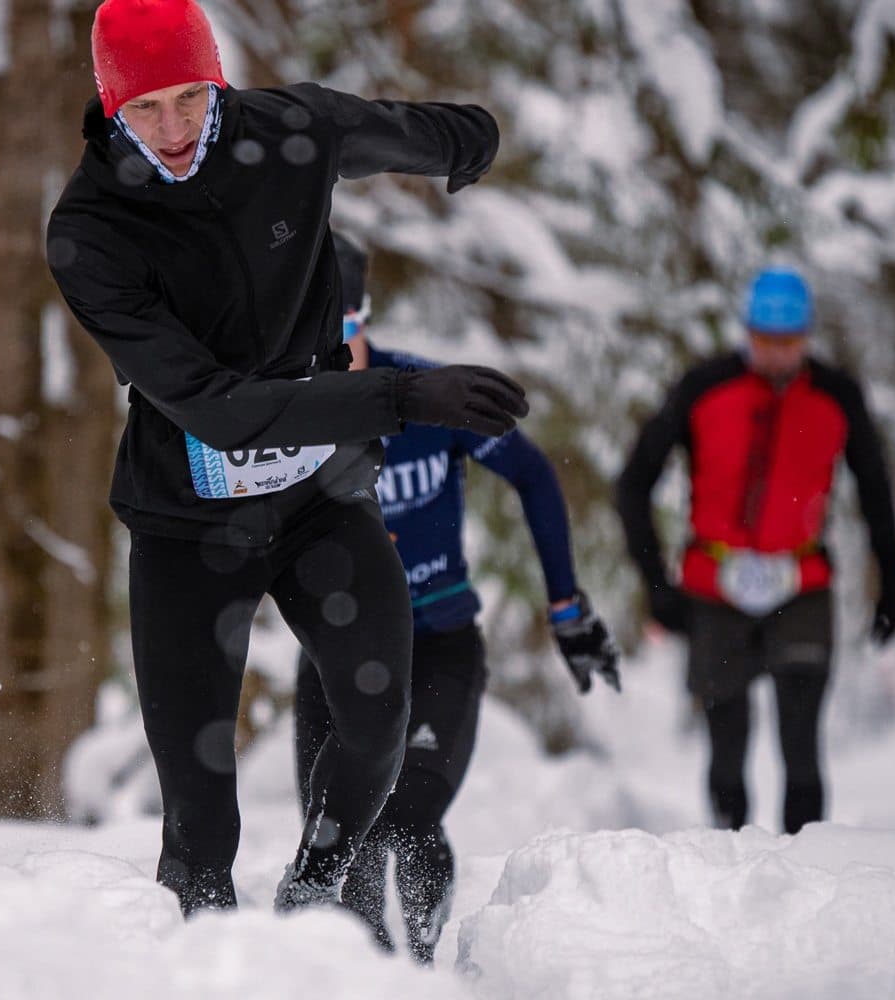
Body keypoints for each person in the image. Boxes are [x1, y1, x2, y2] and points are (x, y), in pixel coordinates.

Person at [46, 0, 520, 915]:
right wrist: (402, 397)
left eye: (190, 97)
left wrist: (471, 143)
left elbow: (398, 132)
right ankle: (202, 960)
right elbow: (220, 410)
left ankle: (312, 892)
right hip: (187, 522)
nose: (174, 129)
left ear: (215, 77)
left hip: (321, 503)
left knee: (379, 717)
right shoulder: (90, 231)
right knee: (198, 819)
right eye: (145, 109)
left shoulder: (287, 133)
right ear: (110, 105)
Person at [291, 235, 620, 961]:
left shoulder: (427, 394)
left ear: (364, 318)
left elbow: (534, 475)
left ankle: (430, 962)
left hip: (437, 643)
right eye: (310, 336)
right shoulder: (285, 413)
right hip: (333, 656)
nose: (330, 354)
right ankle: (369, 976)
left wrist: (566, 607)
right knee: (335, 842)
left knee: (402, 816)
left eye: (341, 334)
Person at [615, 267, 895, 834]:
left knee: (800, 743)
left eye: (789, 342)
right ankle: (729, 866)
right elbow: (633, 483)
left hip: (801, 582)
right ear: (746, 333)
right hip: (714, 585)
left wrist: (893, 583)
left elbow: (877, 493)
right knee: (727, 744)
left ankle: (805, 869)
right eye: (764, 340)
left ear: (808, 336)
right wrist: (655, 584)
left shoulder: (836, 396)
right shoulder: (703, 387)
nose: (775, 354)